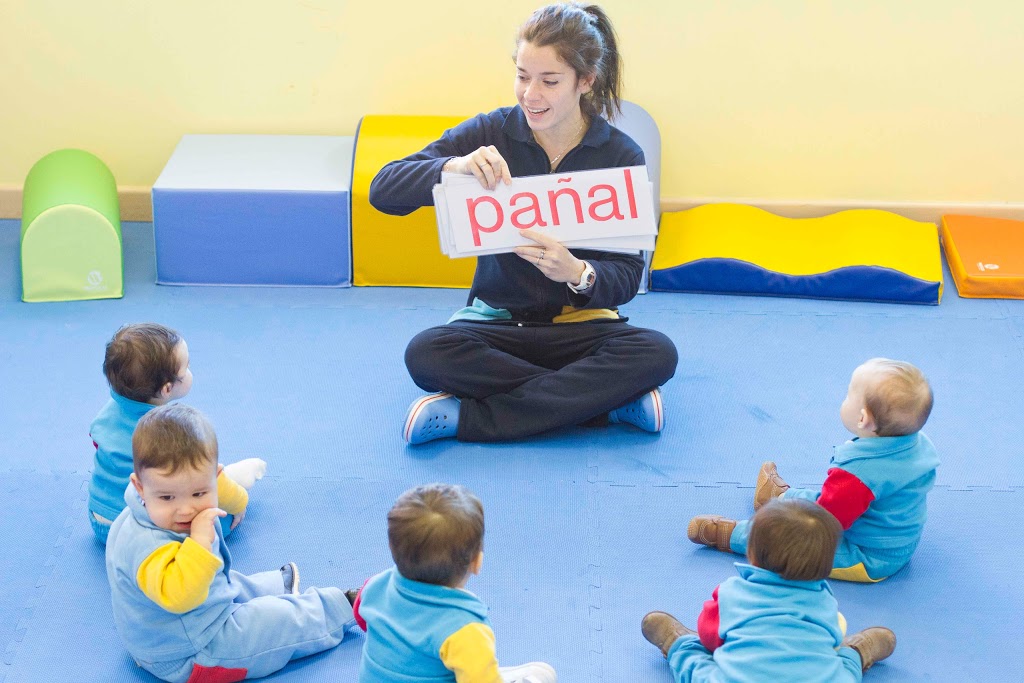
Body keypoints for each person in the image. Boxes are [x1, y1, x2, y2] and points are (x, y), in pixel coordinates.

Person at [369, 2, 677, 444]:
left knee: (656, 353)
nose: (531, 94)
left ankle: (468, 419)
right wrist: (452, 166)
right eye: (522, 75)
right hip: (496, 326)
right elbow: (384, 189)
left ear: (584, 81)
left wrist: (577, 272)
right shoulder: (491, 132)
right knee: (426, 353)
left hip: (583, 328)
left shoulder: (621, 155)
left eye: (549, 81)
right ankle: (603, 405)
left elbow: (628, 277)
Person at [105, 403, 359, 683]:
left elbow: (220, 487)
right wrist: (200, 541)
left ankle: (274, 589)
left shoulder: (162, 493)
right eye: (167, 498)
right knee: (275, 624)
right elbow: (181, 596)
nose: (186, 509)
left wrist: (237, 502)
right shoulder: (147, 545)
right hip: (189, 653)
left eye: (199, 493)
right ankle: (342, 606)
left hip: (191, 619)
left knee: (223, 579)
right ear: (140, 486)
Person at [688, 358, 939, 583]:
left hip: (866, 556)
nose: (844, 398)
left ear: (863, 419)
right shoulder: (915, 441)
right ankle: (779, 498)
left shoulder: (858, 476)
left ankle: (734, 535)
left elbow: (821, 526)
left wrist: (781, 530)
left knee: (793, 544)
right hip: (895, 540)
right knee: (822, 499)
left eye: (848, 395)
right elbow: (832, 502)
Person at [642, 499, 897, 682]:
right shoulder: (825, 601)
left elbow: (709, 638)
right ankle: (857, 652)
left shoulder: (732, 593)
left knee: (696, 666)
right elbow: (831, 641)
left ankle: (677, 642)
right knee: (840, 669)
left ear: (751, 554)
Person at [350, 483, 557, 683]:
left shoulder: (374, 586)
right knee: (543, 674)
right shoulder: (463, 628)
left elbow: (361, 619)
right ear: (477, 562)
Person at [88, 323, 265, 543]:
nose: (190, 370)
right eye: (187, 367)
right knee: (217, 516)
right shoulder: (171, 433)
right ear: (167, 389)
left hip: (100, 519)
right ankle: (231, 476)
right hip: (146, 533)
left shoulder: (107, 413)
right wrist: (239, 503)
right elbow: (195, 480)